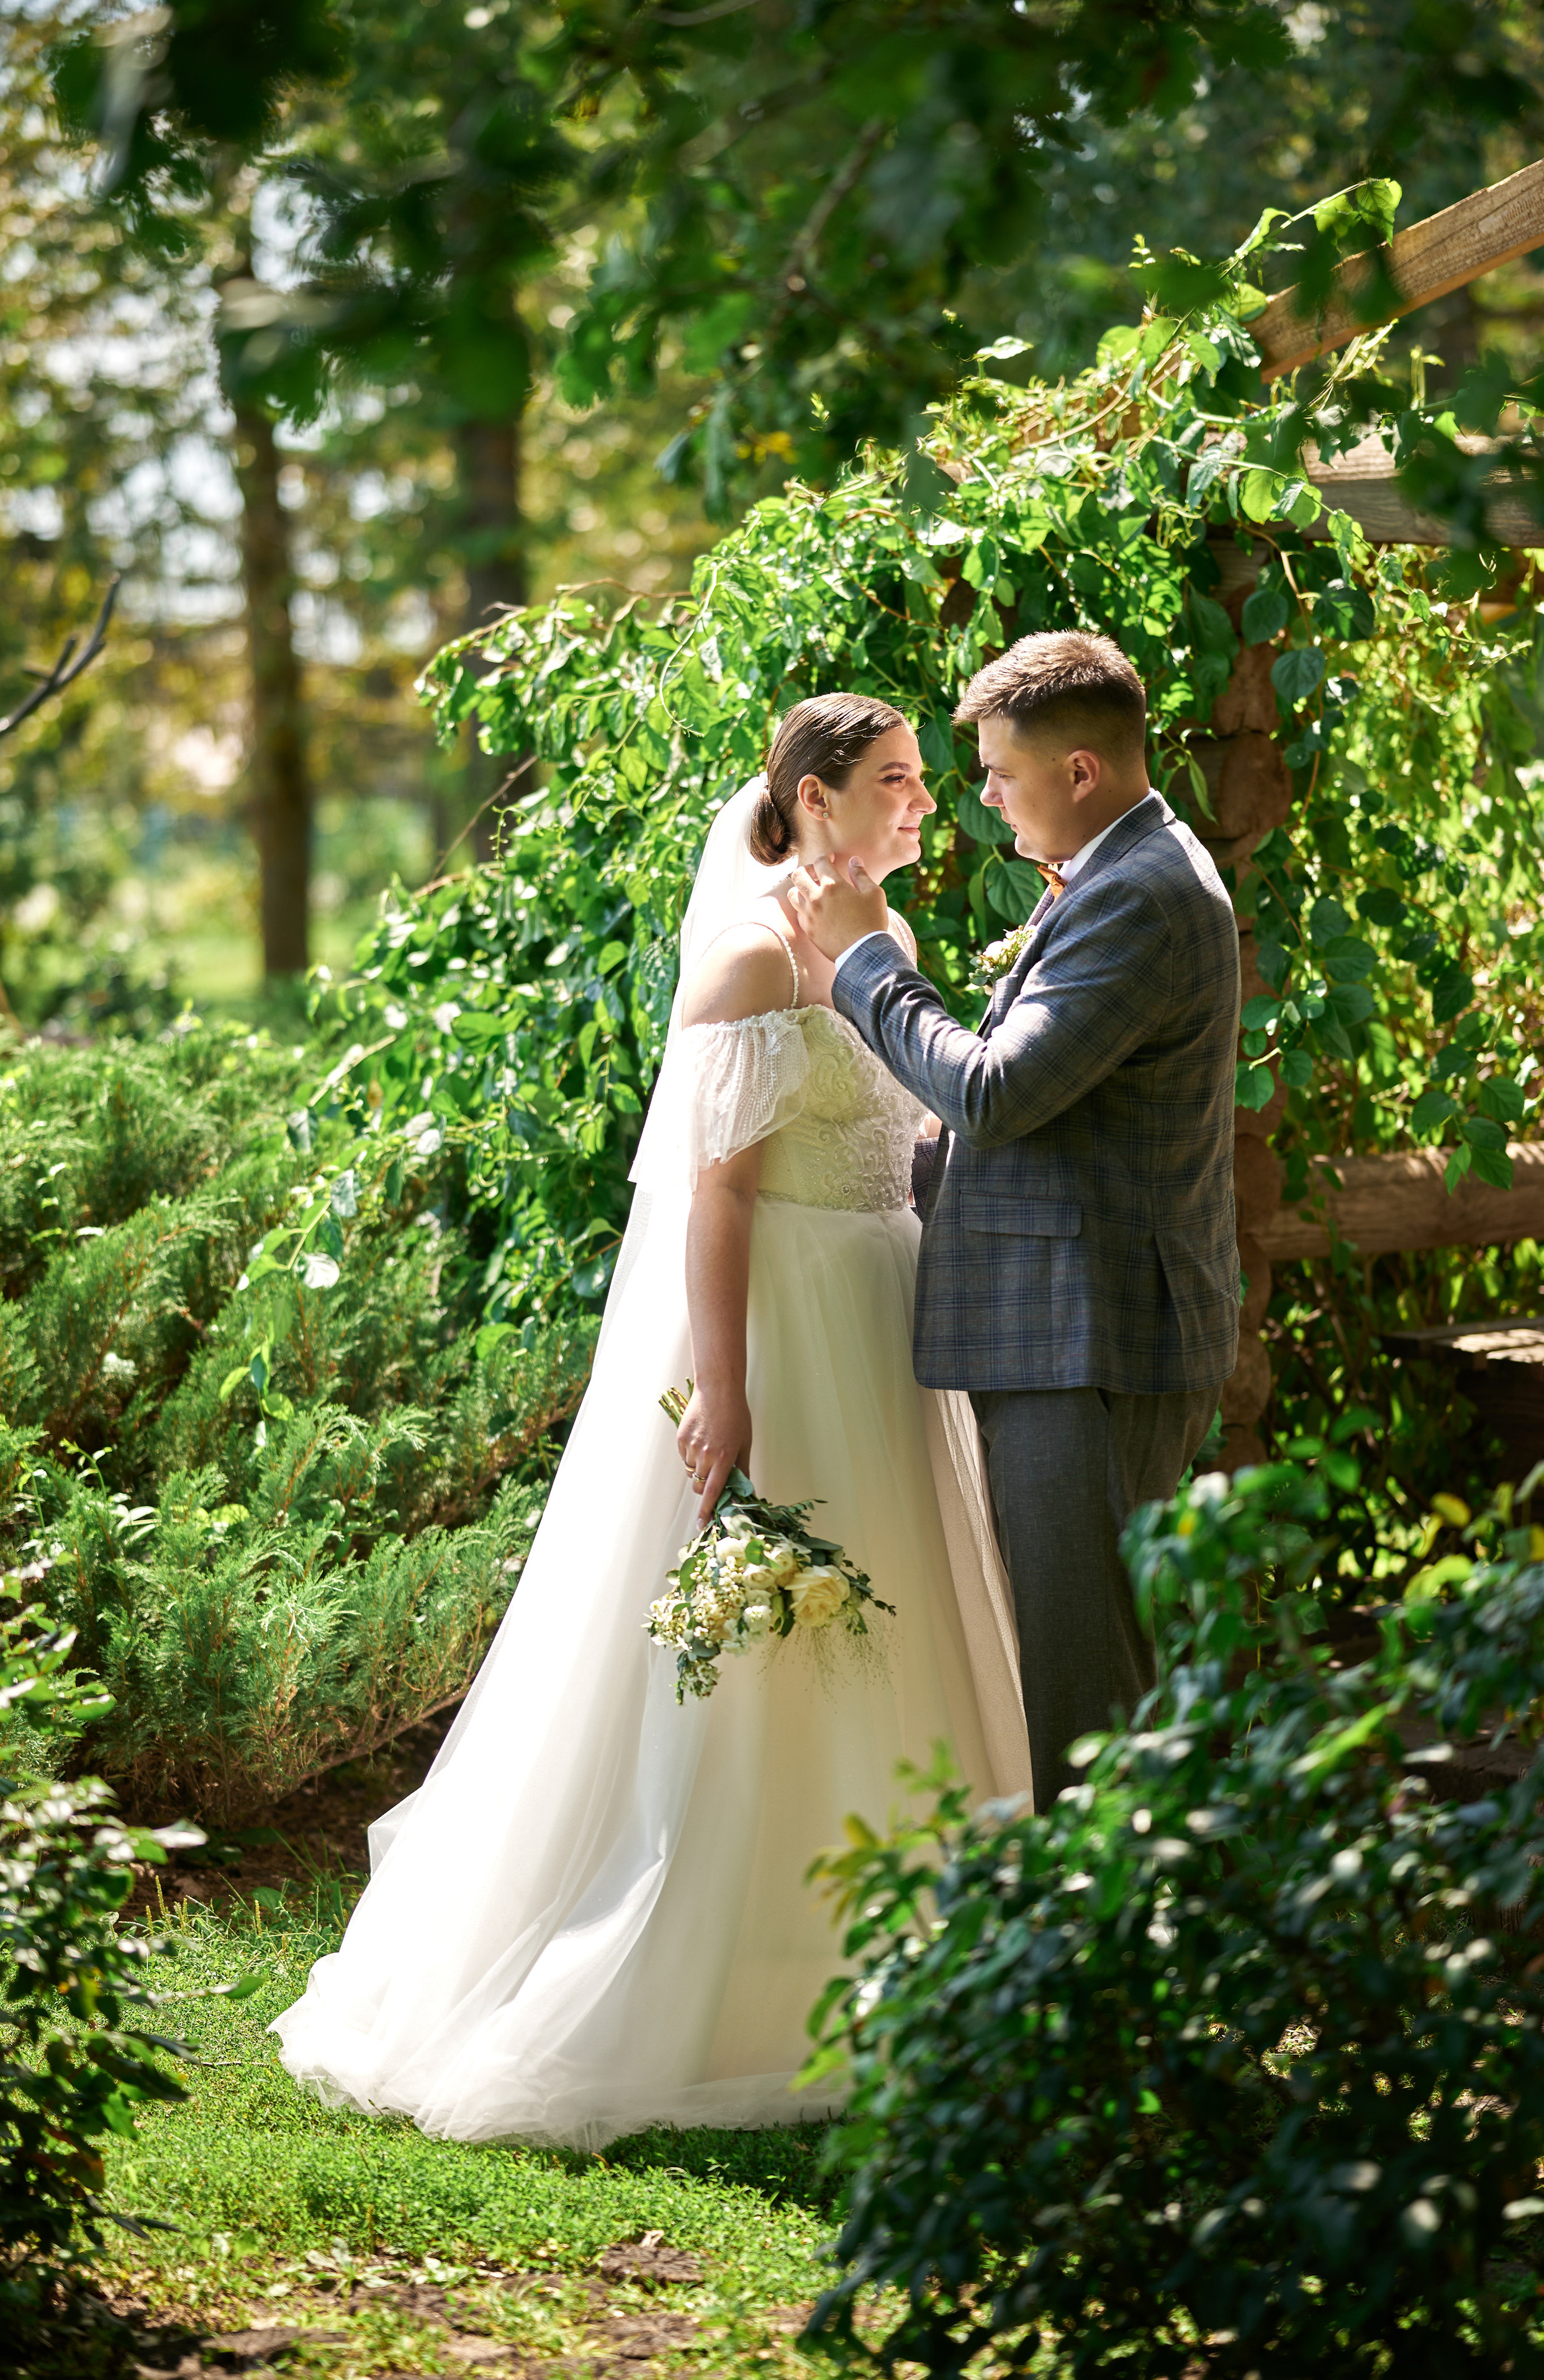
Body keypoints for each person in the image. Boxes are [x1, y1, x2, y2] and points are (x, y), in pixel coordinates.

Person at [271, 694, 1029, 2150]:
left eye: (928, 782)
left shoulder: (891, 945)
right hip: (786, 1325)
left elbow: (908, 1134)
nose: (924, 804)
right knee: (760, 1650)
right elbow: (716, 1192)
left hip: (885, 1325)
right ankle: (699, 1960)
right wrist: (731, 1388)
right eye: (894, 782)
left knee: (903, 1621)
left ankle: (898, 1956)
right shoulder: (748, 956)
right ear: (811, 798)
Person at [789, 632, 1241, 1813]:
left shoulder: (1142, 893)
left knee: (1090, 1688)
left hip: (1088, 1338)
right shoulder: (1124, 873)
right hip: (1073, 1326)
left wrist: (865, 962)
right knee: (1086, 1664)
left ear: (1079, 772)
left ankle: (1109, 1976)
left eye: (997, 770)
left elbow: (995, 1086)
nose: (980, 796)